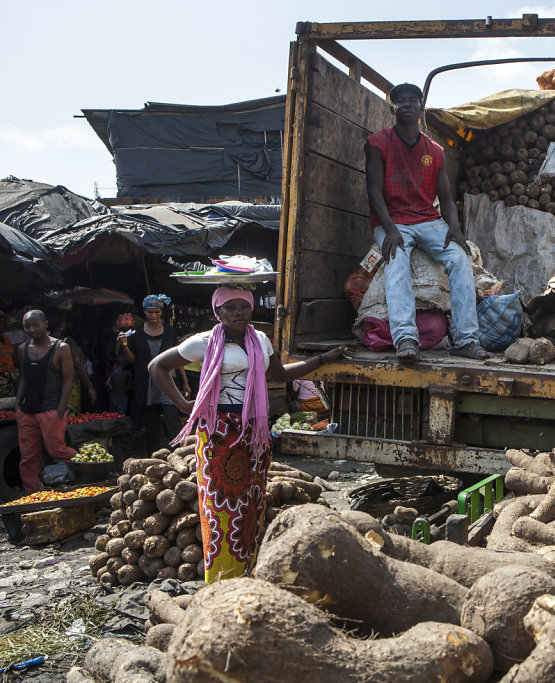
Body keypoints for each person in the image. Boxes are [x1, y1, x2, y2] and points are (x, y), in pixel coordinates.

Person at [149, 286, 348, 582]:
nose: (238, 312)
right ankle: (220, 581)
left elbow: (281, 375)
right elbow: (157, 366)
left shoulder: (260, 340)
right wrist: (183, 404)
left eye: (244, 306)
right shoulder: (203, 342)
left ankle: (246, 575)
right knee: (219, 506)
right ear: (218, 312)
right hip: (218, 431)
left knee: (251, 504)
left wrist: (323, 359)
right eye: (230, 307)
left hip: (254, 430)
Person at [365, 82, 490, 363]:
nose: (407, 104)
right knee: (396, 259)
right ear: (393, 108)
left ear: (421, 107)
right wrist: (391, 231)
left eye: (413, 100)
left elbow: (445, 198)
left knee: (460, 259)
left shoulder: (434, 150)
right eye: (400, 101)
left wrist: (455, 229)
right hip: (392, 220)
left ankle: (466, 339)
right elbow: (373, 191)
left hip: (427, 220)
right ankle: (406, 337)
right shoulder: (378, 143)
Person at [13, 310, 78, 493]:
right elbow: (25, 377)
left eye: (36, 325)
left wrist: (60, 409)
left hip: (51, 410)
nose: (31, 329)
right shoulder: (21, 349)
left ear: (46, 324)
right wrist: (18, 404)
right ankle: (33, 499)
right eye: (27, 326)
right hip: (27, 411)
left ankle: (90, 468)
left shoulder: (60, 348)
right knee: (27, 458)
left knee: (57, 451)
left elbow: (68, 380)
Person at [121, 295, 190, 454]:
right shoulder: (135, 333)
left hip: (168, 381)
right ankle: (154, 454)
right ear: (144, 312)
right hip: (146, 383)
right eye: (149, 312)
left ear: (161, 312)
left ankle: (180, 453)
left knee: (172, 418)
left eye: (156, 312)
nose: (153, 316)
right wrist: (124, 346)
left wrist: (185, 383)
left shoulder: (170, 332)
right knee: (150, 422)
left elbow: (178, 359)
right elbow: (132, 361)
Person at [47, 310, 97, 414]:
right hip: (69, 386)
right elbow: (78, 365)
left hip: (51, 388)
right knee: (70, 418)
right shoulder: (67, 342)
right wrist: (90, 386)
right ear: (60, 325)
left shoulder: (44, 342)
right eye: (64, 322)